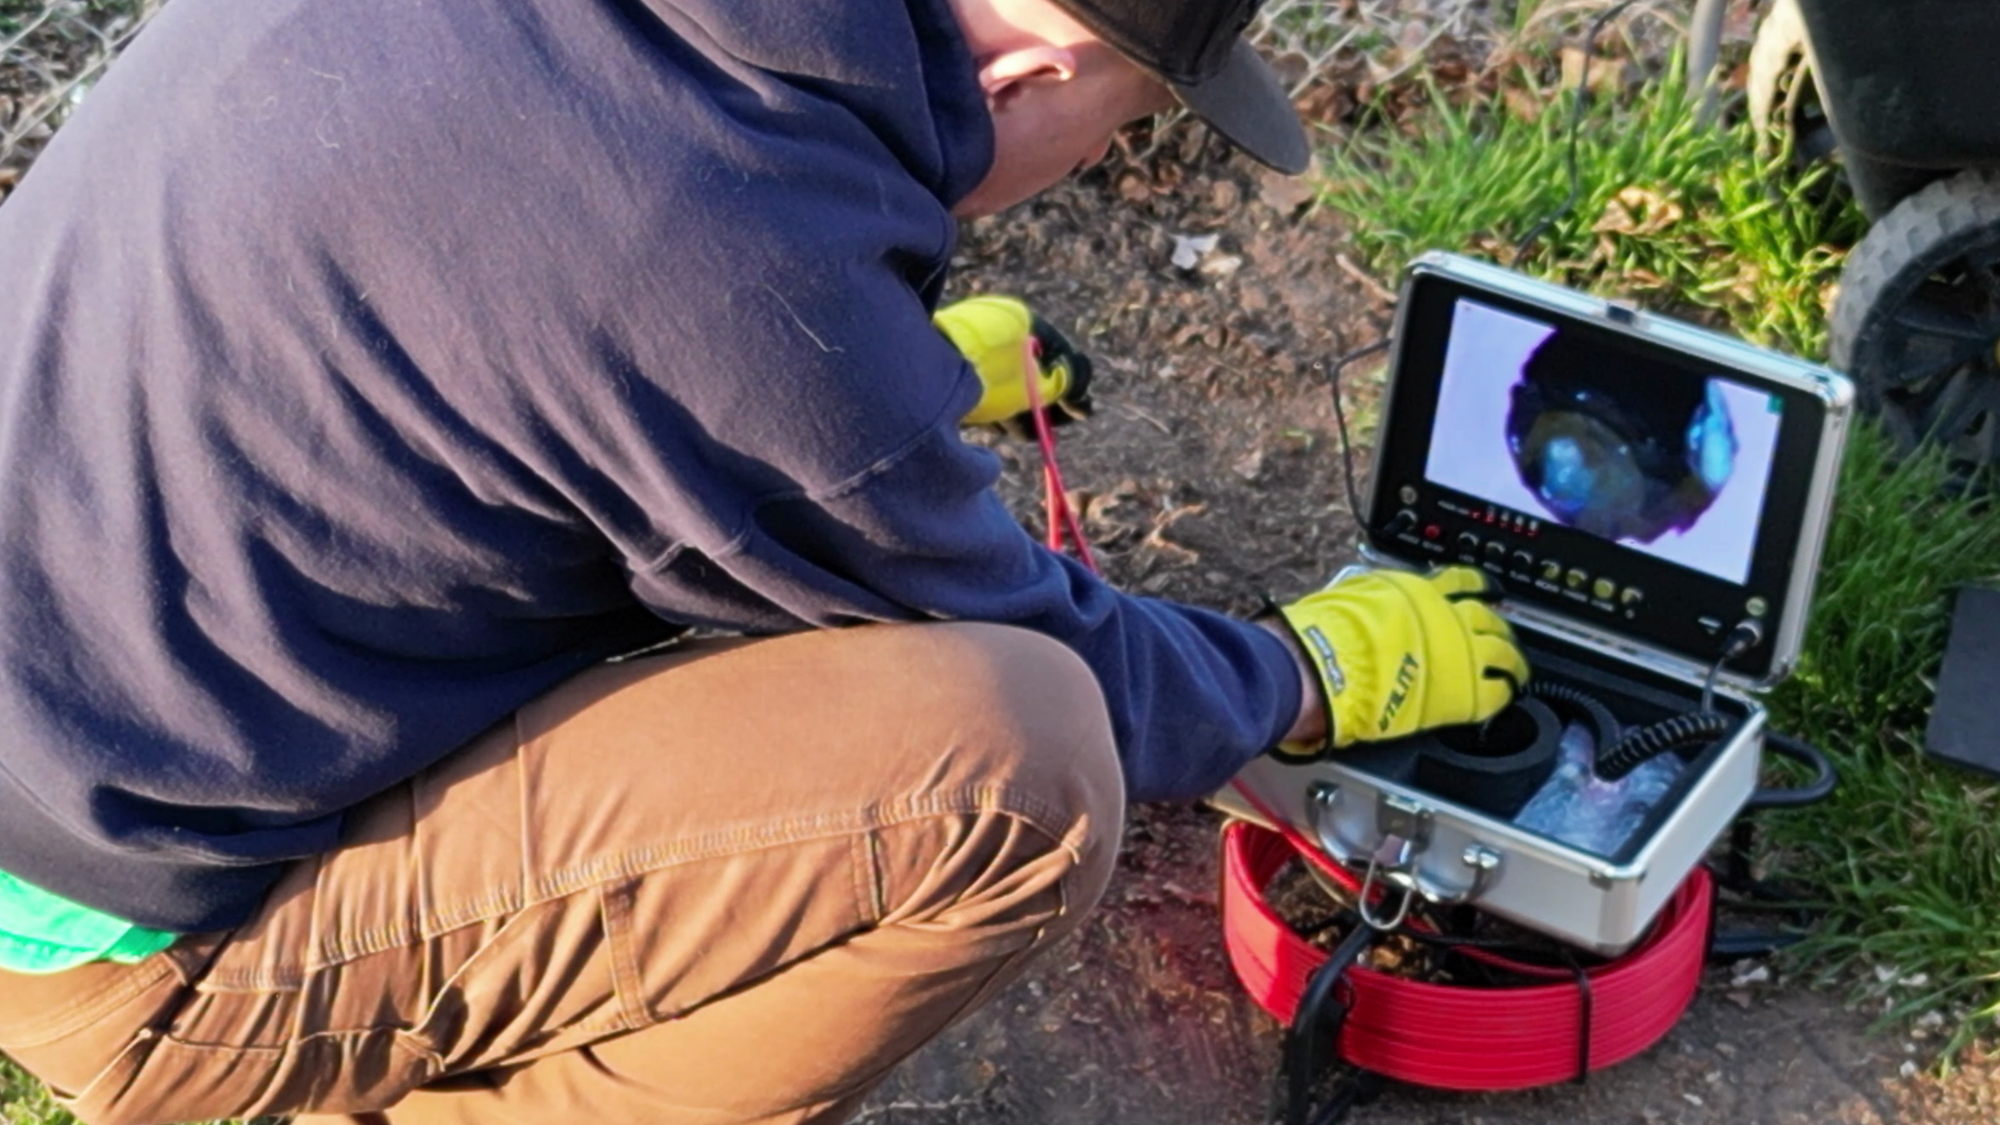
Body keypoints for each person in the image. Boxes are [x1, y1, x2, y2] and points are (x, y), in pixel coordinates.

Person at [0, 0, 1526, 1122]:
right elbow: (1099, 677)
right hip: (120, 941)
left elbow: (490, 263)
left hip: (65, 676)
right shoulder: (734, 279)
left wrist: (888, 379)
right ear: (1028, 72)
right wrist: (1305, 670)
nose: (1096, 158)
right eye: (1120, 128)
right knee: (1023, 763)